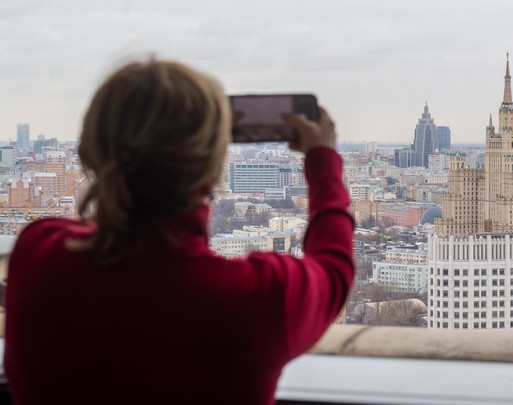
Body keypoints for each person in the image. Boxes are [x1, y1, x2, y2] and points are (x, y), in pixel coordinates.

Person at [3, 59, 355, 404]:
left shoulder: (38, 255)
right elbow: (334, 267)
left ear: (91, 149)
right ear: (211, 168)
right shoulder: (255, 298)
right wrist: (322, 157)